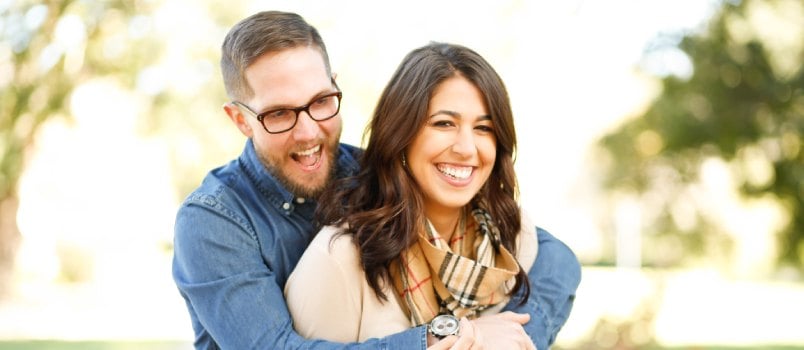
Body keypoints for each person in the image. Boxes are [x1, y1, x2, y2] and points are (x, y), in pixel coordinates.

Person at [172, 10, 581, 350]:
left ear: (336, 88)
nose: (309, 132)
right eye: (278, 113)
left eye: (320, 102)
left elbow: (554, 255)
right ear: (240, 119)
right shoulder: (213, 222)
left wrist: (520, 339)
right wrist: (451, 337)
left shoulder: (373, 172)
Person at [285, 41, 579, 349]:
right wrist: (467, 336)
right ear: (401, 135)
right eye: (444, 123)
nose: (466, 148)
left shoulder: (513, 239)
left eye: (483, 128)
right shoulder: (338, 261)